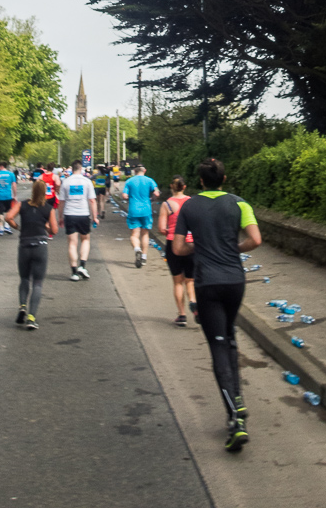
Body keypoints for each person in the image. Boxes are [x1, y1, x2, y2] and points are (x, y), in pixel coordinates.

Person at [173, 157, 261, 453]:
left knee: (218, 345)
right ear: (224, 179)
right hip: (235, 281)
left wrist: (202, 245)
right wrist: (231, 247)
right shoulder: (239, 204)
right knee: (231, 339)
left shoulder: (189, 206)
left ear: (200, 182)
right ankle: (237, 400)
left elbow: (177, 248)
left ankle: (236, 419)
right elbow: (255, 240)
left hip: (207, 282)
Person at [5, 179, 58, 330]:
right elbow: (54, 231)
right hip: (40, 246)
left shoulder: (22, 204)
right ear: (45, 193)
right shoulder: (48, 209)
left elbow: (8, 217)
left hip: (24, 245)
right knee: (38, 283)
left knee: (24, 279)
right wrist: (46, 227)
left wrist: (18, 227)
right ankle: (32, 317)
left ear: (32, 190)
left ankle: (22, 306)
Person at [157, 176, 195, 327]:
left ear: (171, 186)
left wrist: (169, 232)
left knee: (178, 281)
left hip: (174, 243)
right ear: (184, 186)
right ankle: (194, 302)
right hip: (191, 243)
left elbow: (161, 229)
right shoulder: (192, 202)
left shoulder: (167, 205)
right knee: (190, 280)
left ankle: (182, 315)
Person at [57, 160, 98, 281]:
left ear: (72, 169)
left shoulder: (66, 182)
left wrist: (60, 217)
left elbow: (61, 202)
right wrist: (95, 216)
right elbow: (92, 200)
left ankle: (74, 272)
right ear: (81, 169)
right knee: (85, 240)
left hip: (69, 214)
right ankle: (82, 265)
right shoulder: (87, 181)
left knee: (72, 244)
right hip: (83, 214)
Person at [122, 165, 159, 268]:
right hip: (146, 210)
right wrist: (152, 199)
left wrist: (129, 199)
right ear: (145, 170)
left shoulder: (129, 181)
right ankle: (144, 257)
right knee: (145, 234)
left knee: (134, 234)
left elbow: (124, 195)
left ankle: (137, 249)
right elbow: (156, 193)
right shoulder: (150, 181)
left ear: (134, 171)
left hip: (133, 210)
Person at [0, 160, 17, 236]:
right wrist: (15, 196)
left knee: (0, 212)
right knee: (9, 212)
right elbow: (14, 186)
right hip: (8, 196)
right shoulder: (11, 174)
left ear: (1, 166)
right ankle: (7, 226)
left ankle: (1, 228)